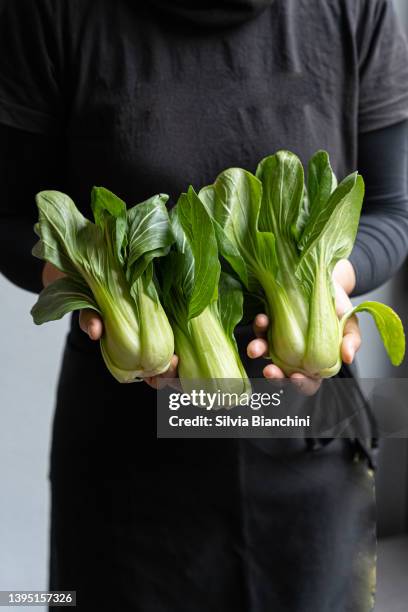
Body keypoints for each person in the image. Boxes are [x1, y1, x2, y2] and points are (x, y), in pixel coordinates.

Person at [1, 0, 408, 610]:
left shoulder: (358, 8)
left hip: (304, 427)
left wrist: (333, 280)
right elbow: (9, 219)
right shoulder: (50, 14)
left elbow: (391, 211)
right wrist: (92, 280)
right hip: (128, 457)